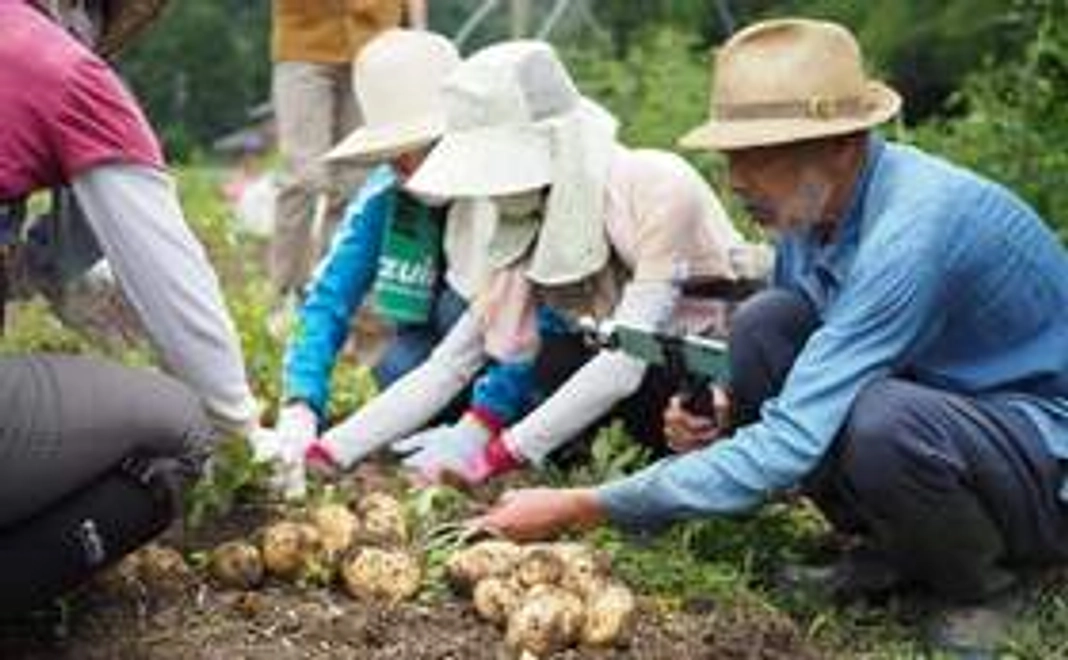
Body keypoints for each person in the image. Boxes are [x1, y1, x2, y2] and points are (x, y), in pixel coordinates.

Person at [473, 18, 1068, 654]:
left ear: (843, 144)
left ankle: (989, 587)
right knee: (765, 322)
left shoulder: (916, 230)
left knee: (885, 422)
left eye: (757, 156)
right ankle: (890, 550)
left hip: (1040, 452)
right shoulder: (811, 217)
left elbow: (793, 440)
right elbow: (803, 355)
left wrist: (585, 504)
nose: (735, 180)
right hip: (950, 414)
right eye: (731, 157)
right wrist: (728, 409)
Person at [304, 40, 759, 485]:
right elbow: (451, 363)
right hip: (627, 377)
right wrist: (331, 450)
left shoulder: (656, 185)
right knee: (548, 352)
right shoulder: (531, 218)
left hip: (714, 374)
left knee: (593, 376)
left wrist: (494, 457)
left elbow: (628, 361)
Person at [0, 0, 259, 613]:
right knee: (179, 428)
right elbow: (178, 286)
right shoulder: (63, 71)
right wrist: (244, 431)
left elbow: (54, 272)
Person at [255, 29, 537, 498]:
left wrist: (483, 423)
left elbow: (537, 318)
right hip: (439, 359)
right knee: (397, 367)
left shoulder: (506, 189)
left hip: (517, 356)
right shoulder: (386, 195)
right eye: (393, 153)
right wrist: (301, 404)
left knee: (457, 312)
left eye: (420, 146)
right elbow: (328, 298)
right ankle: (447, 421)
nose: (404, 163)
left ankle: (510, 419)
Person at [268, 0, 427, 331]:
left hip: (376, 42)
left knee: (357, 185)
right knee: (303, 178)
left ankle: (337, 299)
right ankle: (288, 291)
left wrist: (418, 33)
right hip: (304, 37)